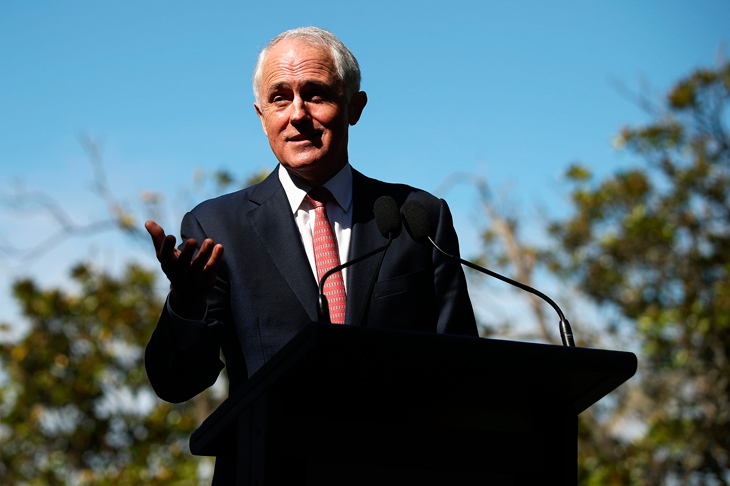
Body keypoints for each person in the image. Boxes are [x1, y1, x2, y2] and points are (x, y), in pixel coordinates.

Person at [144, 26, 477, 480]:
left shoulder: (416, 217)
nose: (297, 114)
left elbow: (463, 374)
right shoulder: (217, 227)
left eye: (315, 94)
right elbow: (176, 383)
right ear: (261, 115)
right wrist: (186, 305)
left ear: (355, 107)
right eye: (280, 98)